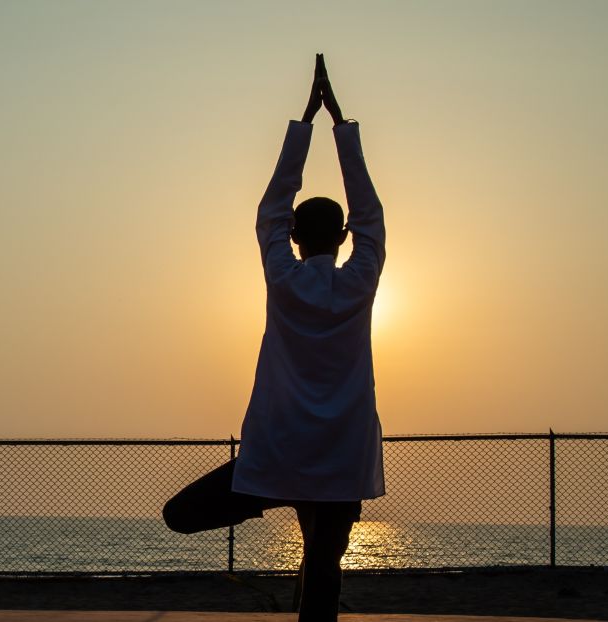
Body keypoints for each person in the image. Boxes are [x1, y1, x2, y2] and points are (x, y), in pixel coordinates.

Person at [161, 54, 386, 622]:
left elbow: (270, 210)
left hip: (281, 453)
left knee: (180, 514)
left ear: (292, 236)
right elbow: (370, 213)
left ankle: (267, 494)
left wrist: (304, 125)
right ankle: (283, 503)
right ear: (341, 237)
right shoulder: (358, 282)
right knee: (324, 571)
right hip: (337, 456)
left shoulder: (284, 280)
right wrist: (341, 127)